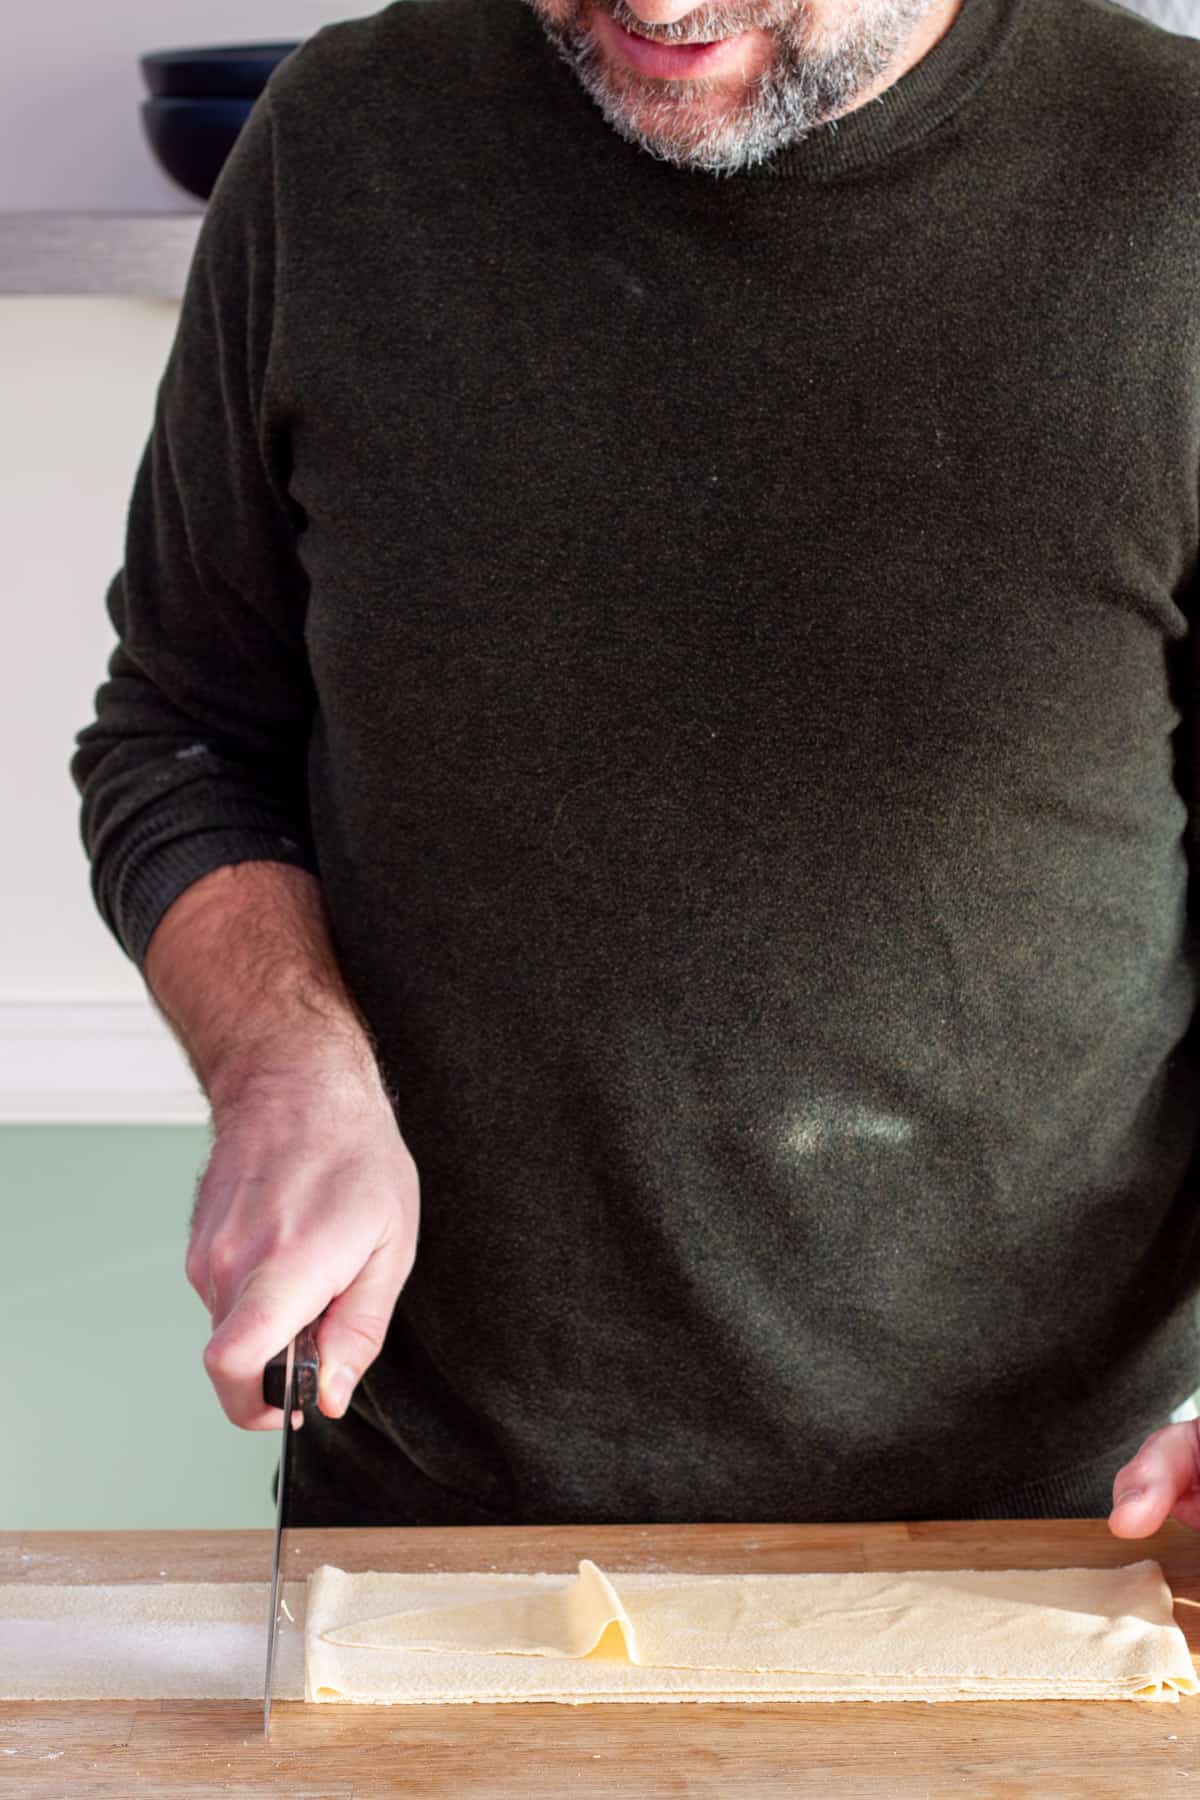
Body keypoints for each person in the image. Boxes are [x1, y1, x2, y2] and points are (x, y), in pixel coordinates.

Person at [72, 0, 1200, 1534]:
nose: (656, 6)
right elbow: (186, 733)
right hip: (434, 1536)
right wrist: (286, 1062)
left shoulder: (1173, 185)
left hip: (1066, 1545)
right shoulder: (344, 149)